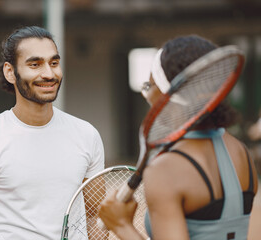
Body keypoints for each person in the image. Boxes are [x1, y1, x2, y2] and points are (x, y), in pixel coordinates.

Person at [0, 26, 105, 240]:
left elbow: (94, 216)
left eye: (54, 63)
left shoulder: (87, 135)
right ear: (10, 72)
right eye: (35, 64)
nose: (49, 73)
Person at [98, 35, 258, 240]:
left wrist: (121, 226)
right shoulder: (240, 151)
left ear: (168, 95)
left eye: (149, 86)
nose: (145, 94)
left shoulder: (165, 169)